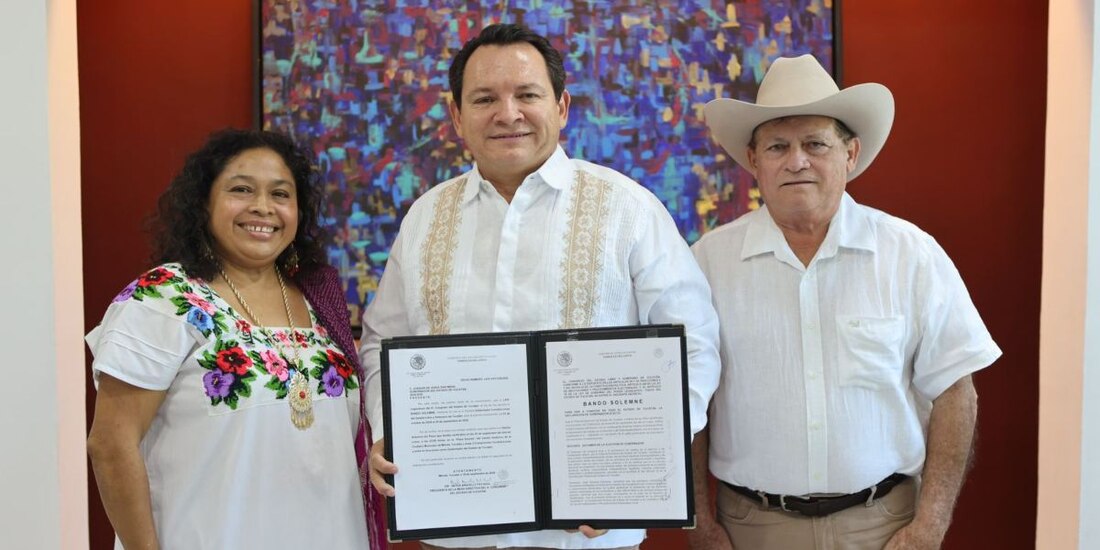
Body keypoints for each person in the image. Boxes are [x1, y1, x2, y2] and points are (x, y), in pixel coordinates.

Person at [359, 23, 721, 550]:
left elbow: (693, 347)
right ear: (458, 116)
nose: (508, 113)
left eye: (527, 94)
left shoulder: (629, 209)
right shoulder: (425, 218)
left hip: (589, 534)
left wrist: (636, 468)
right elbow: (381, 343)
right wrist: (390, 427)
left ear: (562, 107)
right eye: (485, 98)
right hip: (458, 530)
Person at [688, 54, 1003, 550]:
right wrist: (700, 525)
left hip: (884, 525)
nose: (797, 161)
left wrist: (930, 526)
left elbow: (956, 391)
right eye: (777, 146)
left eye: (816, 143)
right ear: (754, 160)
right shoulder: (706, 263)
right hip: (750, 528)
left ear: (850, 154)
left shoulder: (910, 253)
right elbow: (687, 399)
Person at [85, 129, 386, 549]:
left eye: (281, 194)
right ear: (203, 203)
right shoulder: (162, 298)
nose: (262, 207)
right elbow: (111, 445)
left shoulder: (321, 301)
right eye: (241, 190)